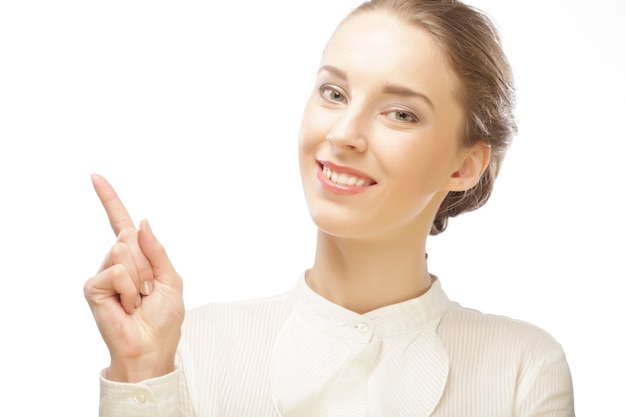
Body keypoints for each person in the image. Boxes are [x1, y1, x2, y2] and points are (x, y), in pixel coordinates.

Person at [83, 0, 575, 416]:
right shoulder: (192, 346)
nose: (342, 134)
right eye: (334, 93)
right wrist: (141, 371)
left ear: (465, 165)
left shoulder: (522, 369)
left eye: (400, 113)